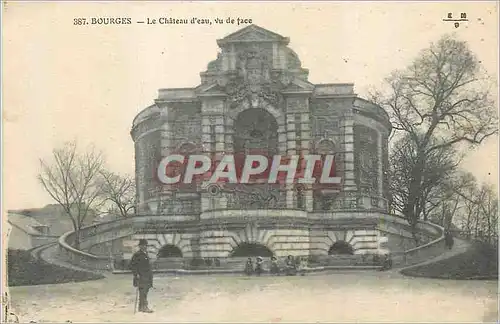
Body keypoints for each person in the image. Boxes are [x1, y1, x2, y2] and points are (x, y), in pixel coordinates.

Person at [130, 239, 154, 313]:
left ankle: (142, 307)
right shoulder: (137, 255)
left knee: (145, 292)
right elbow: (132, 265)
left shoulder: (145, 253)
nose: (144, 247)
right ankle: (144, 307)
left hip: (147, 277)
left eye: (145, 245)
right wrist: (136, 274)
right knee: (142, 292)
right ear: (140, 246)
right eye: (143, 245)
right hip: (141, 277)